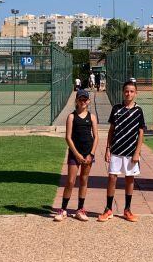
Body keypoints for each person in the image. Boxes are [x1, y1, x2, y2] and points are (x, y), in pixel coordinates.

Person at [98, 80, 145, 223]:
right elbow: (111, 130)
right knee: (112, 178)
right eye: (126, 91)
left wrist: (137, 152)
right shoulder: (116, 109)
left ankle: (127, 210)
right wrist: (107, 149)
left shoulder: (138, 111)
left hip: (131, 152)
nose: (128, 93)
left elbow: (141, 132)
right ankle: (108, 209)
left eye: (131, 91)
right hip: (116, 151)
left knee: (129, 179)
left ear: (136, 93)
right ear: (122, 92)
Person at [54, 89, 98, 222]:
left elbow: (96, 137)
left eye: (85, 99)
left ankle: (80, 209)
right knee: (71, 181)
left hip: (88, 153)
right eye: (80, 99)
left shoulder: (92, 117)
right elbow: (68, 138)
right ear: (77, 101)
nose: (83, 101)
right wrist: (77, 154)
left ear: (88, 101)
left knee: (84, 180)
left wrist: (91, 154)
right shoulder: (71, 117)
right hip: (75, 154)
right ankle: (63, 210)